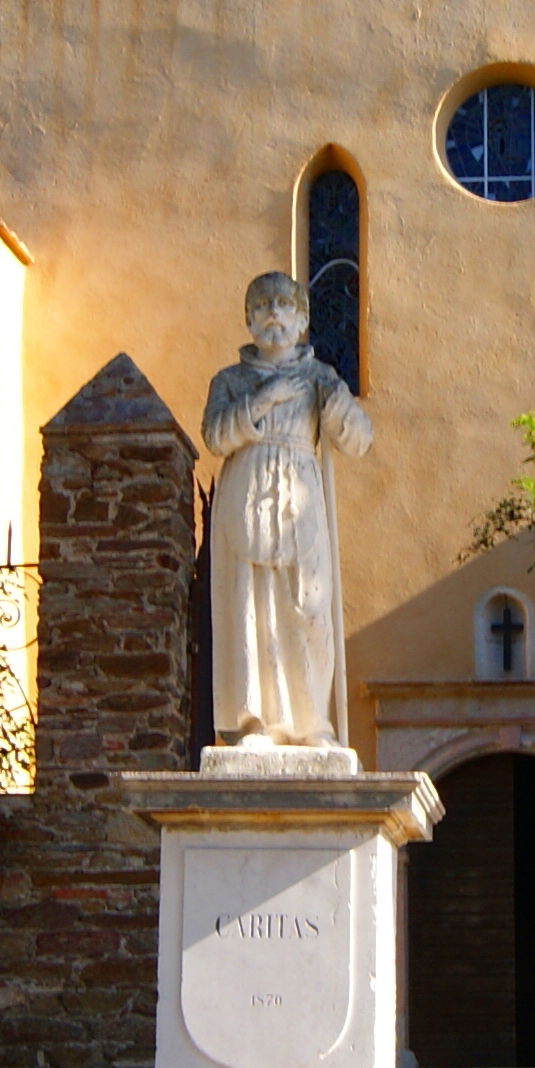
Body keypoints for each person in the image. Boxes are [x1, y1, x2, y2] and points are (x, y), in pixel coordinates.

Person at [203, 271, 373, 749]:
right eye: (263, 304)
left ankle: (311, 721)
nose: (273, 311)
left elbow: (357, 441)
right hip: (246, 494)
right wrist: (261, 401)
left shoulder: (320, 378)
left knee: (309, 606)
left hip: (301, 500)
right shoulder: (230, 381)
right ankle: (257, 722)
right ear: (249, 319)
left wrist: (339, 406)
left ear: (302, 320)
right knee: (252, 607)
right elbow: (216, 436)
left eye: (284, 303)